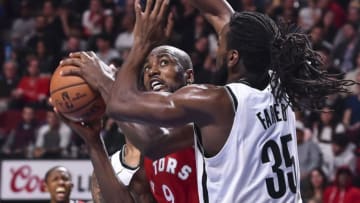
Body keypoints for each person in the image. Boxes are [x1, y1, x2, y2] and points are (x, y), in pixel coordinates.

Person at [60, 0, 355, 202]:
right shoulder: (276, 85)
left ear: (233, 57)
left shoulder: (216, 102)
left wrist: (125, 57)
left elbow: (127, 111)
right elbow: (222, 14)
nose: (216, 45)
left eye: (221, 42)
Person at [56, 45, 199, 203]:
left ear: (189, 76)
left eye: (164, 63)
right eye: (146, 68)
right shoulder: (149, 159)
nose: (152, 71)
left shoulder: (206, 115)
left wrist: (107, 83)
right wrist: (94, 143)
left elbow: (153, 141)